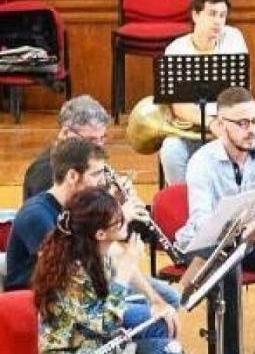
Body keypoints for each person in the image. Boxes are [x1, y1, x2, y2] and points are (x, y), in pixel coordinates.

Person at [176, 87, 255, 354]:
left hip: (250, 239)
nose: (251, 130)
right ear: (221, 125)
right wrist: (237, 230)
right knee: (230, 278)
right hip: (208, 243)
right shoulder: (202, 162)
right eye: (242, 123)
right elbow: (202, 221)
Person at [7, 138, 181, 333]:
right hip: (53, 301)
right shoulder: (36, 214)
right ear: (73, 176)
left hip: (88, 287)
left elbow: (112, 257)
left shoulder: (82, 207)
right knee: (156, 320)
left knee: (169, 298)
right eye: (96, 174)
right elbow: (74, 271)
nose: (103, 181)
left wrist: (155, 299)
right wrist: (117, 219)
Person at [33, 187, 180, 354]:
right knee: (167, 350)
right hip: (77, 348)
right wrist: (125, 271)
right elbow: (106, 325)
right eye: (119, 220)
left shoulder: (97, 250)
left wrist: (156, 301)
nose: (126, 220)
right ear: (101, 234)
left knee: (164, 325)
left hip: (96, 339)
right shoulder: (74, 273)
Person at [161, 0, 249, 185]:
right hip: (191, 126)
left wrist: (224, 124)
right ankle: (182, 204)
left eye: (222, 15)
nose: (218, 21)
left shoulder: (233, 38)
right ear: (195, 15)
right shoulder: (176, 50)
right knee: (170, 151)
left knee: (235, 149)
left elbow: (240, 94)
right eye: (211, 14)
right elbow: (178, 106)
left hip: (227, 124)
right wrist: (210, 123)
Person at [23, 95, 109, 201]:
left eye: (102, 138)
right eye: (91, 140)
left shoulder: (86, 161)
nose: (99, 146)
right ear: (65, 133)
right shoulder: (44, 172)